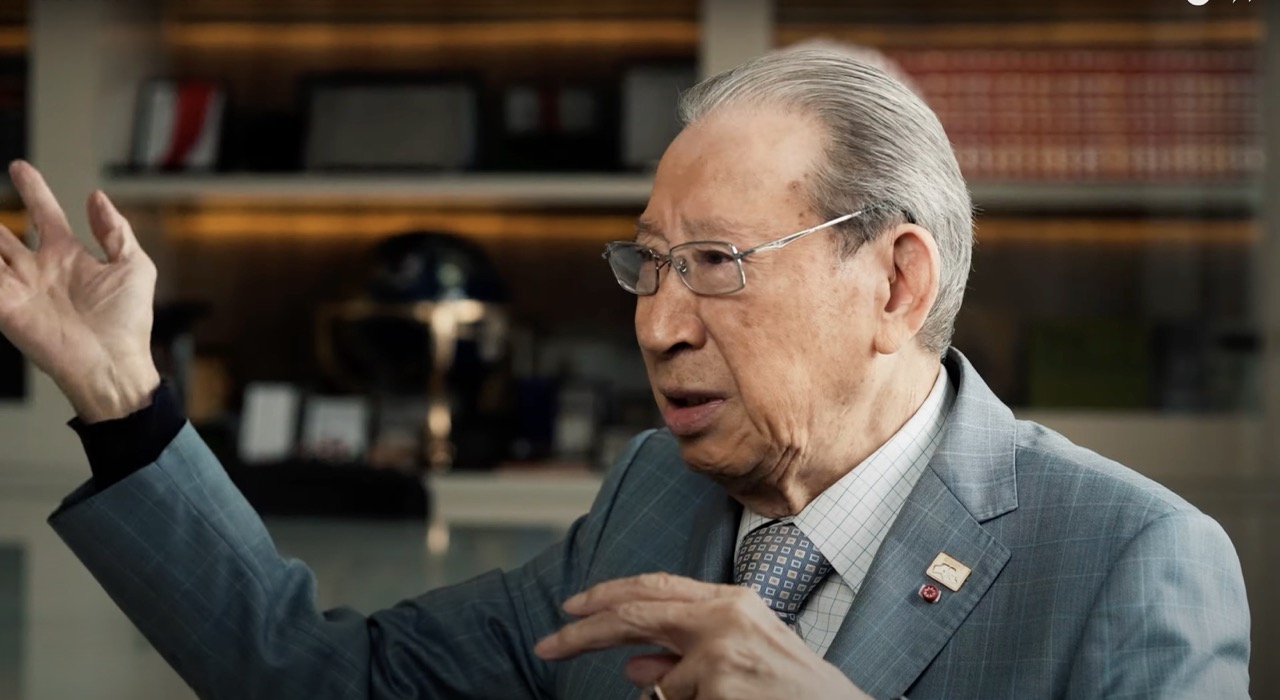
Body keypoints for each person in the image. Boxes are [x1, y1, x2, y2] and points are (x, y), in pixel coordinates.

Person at [0, 46, 1250, 699]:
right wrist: (121, 395)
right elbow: (329, 679)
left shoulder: (1130, 561)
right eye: (647, 265)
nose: (656, 326)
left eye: (713, 264)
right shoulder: (653, 494)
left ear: (894, 283)